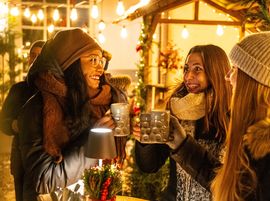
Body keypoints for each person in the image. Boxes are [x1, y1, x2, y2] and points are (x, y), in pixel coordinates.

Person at [16, 28, 127, 201]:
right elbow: (44, 179)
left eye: (101, 60)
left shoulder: (103, 102)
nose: (101, 67)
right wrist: (93, 139)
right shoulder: (39, 107)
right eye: (93, 60)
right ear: (70, 63)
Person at [134, 45, 232, 201]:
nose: (188, 76)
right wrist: (144, 143)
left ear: (216, 72)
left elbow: (232, 181)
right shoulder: (176, 109)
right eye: (186, 69)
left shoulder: (231, 116)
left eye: (197, 69)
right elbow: (150, 166)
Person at [211, 32, 270, 201]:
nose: (227, 76)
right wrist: (181, 143)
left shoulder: (264, 152)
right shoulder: (253, 138)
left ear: (252, 82)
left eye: (235, 69)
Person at [0, 40, 45, 201]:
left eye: (40, 56)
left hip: (44, 161)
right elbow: (3, 121)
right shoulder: (18, 89)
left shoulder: (53, 90)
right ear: (28, 59)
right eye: (32, 56)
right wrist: (14, 125)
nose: (35, 60)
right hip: (20, 160)